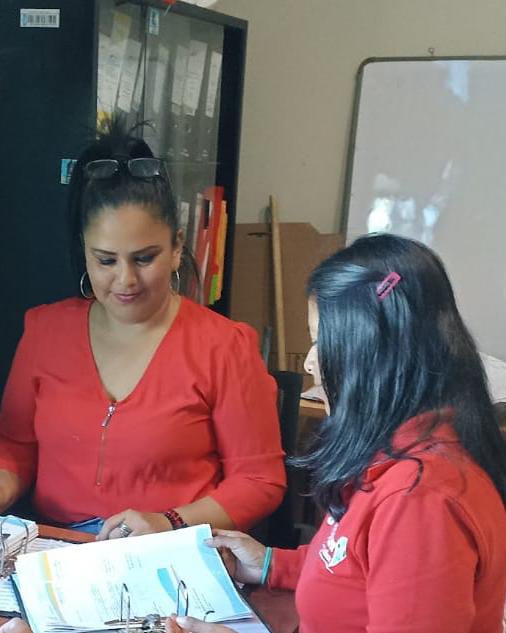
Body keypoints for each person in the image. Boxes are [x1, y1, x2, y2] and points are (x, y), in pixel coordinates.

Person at [165, 234, 505, 632]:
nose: (310, 363)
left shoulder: (419, 499)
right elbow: (354, 565)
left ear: (370, 357)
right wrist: (271, 564)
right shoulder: (398, 455)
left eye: (319, 342)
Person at [0, 119, 285, 538]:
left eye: (144, 258)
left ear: (177, 247)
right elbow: (16, 447)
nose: (126, 280)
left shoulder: (224, 346)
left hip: (166, 548)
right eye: (106, 260)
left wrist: (169, 522)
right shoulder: (45, 330)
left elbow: (260, 480)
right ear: (84, 252)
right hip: (56, 547)